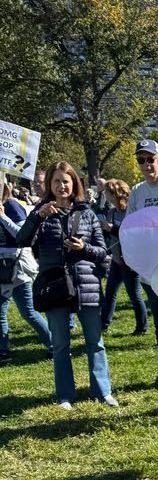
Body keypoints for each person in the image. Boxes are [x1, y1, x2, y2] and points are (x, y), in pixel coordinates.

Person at [16, 161, 117, 409]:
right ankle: (64, 395)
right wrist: (38, 216)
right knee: (60, 344)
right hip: (55, 285)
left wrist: (84, 248)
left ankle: (102, 391)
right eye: (57, 181)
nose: (62, 186)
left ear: (74, 184)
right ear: (50, 185)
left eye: (66, 181)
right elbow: (22, 239)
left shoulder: (87, 213)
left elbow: (102, 252)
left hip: (86, 284)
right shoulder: (41, 213)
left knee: (95, 342)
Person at [126, 139, 158, 386]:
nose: (146, 164)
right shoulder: (137, 192)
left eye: (150, 159)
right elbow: (131, 226)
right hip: (152, 270)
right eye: (141, 160)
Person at [0, 183, 53, 362]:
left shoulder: (12, 206)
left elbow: (23, 235)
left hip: (17, 266)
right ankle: (3, 351)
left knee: (28, 311)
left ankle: (54, 344)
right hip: (1, 266)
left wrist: (2, 217)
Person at [99, 179, 148, 335]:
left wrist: (113, 228)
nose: (105, 195)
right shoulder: (112, 212)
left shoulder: (131, 211)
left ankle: (142, 327)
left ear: (114, 194)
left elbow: (132, 233)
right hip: (116, 260)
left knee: (134, 295)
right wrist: (105, 230)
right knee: (110, 293)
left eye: (107, 192)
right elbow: (112, 236)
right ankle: (103, 325)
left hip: (130, 260)